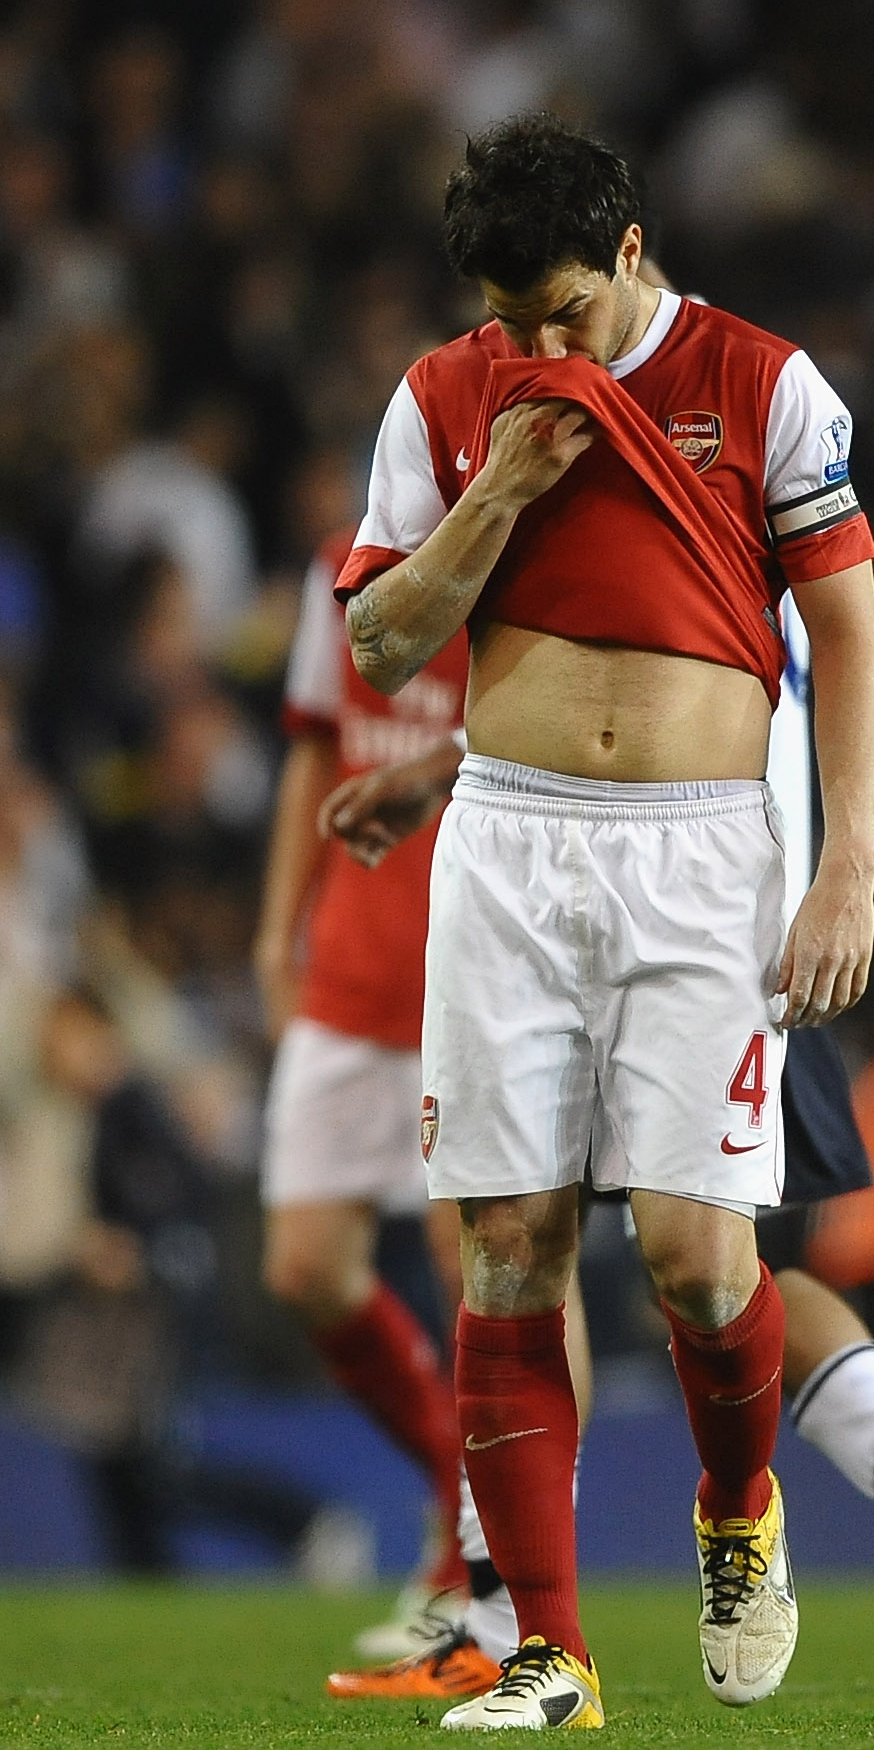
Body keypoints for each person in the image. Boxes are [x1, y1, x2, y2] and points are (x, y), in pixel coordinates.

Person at [332, 111, 874, 1731]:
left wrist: (844, 856)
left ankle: (737, 1515)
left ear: (632, 253)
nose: (535, 343)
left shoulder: (762, 384)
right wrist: (496, 489)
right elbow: (378, 641)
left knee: (696, 1259)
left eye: (562, 312)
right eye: (508, 318)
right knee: (506, 1250)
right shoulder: (446, 399)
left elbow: (844, 635)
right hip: (507, 841)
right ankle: (551, 1656)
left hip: (701, 848)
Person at [324, 594, 874, 1708]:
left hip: (700, 931)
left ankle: (500, 1610)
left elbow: (647, 709)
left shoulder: (730, 509)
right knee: (714, 1273)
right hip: (739, 924)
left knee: (562, 1247)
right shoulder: (760, 542)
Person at [253, 528, 473, 1650]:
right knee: (303, 1266)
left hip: (472, 977)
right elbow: (313, 752)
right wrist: (275, 932)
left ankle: (469, 1571)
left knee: (471, 1276)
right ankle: (454, 1470)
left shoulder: (526, 565)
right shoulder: (341, 573)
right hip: (346, 971)